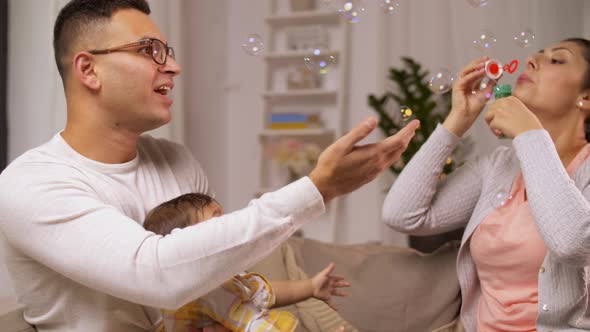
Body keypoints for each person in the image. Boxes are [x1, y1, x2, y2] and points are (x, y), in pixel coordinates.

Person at [0, 0, 418, 331]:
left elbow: (214, 278)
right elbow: (157, 274)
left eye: (168, 51)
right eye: (150, 51)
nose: (173, 66)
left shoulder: (176, 160)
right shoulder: (29, 184)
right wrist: (317, 188)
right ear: (89, 70)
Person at [383, 38, 590, 331]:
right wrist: (458, 120)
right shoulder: (500, 165)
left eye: (557, 60)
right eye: (538, 53)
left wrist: (530, 133)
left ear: (587, 97)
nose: (532, 59)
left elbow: (572, 244)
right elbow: (402, 214)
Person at [143, 193, 350, 332]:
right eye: (218, 222)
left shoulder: (222, 281)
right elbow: (256, 325)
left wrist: (310, 287)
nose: (229, 226)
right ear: (187, 246)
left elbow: (265, 292)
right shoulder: (208, 289)